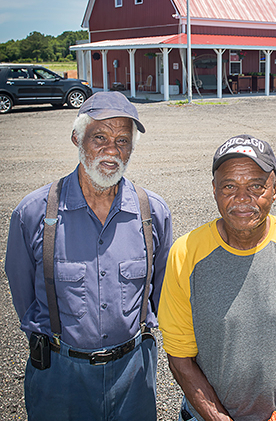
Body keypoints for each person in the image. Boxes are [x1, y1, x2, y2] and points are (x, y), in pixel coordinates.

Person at [5, 91, 172, 421]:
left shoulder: (152, 212)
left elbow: (161, 294)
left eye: (123, 140)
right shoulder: (34, 213)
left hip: (133, 376)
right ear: (76, 137)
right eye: (100, 137)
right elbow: (24, 298)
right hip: (60, 375)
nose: (113, 151)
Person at [158, 134, 276, 421]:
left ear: (275, 189)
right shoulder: (186, 253)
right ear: (214, 190)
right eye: (229, 186)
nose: (242, 198)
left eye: (256, 186)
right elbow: (179, 355)